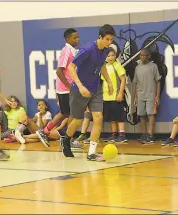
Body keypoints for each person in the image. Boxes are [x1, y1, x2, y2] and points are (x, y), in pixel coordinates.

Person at [60, 24, 115, 161]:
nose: (109, 42)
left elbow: (102, 66)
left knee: (98, 117)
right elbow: (71, 68)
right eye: (107, 39)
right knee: (77, 120)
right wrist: (80, 86)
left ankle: (91, 153)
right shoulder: (87, 49)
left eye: (111, 40)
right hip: (80, 89)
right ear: (100, 37)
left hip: (95, 89)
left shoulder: (105, 50)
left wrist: (108, 81)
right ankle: (66, 139)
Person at [34, 28, 80, 145]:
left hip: (68, 88)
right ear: (67, 39)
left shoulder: (73, 51)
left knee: (66, 113)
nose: (77, 39)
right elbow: (59, 71)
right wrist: (70, 87)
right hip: (65, 89)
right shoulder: (66, 51)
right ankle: (67, 139)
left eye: (78, 37)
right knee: (71, 114)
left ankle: (47, 131)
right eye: (74, 38)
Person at [134, 48, 161, 143]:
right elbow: (136, 83)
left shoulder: (153, 66)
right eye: (141, 55)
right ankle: (144, 134)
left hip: (151, 95)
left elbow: (158, 81)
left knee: (150, 114)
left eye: (145, 55)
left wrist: (157, 96)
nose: (143, 57)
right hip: (140, 95)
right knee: (141, 115)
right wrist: (136, 97)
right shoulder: (137, 68)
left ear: (149, 56)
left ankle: (150, 134)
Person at [102, 47, 127, 143]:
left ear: (115, 56)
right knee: (112, 118)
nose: (111, 57)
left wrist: (120, 93)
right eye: (108, 56)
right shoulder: (104, 67)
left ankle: (122, 135)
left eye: (113, 55)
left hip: (116, 97)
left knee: (119, 116)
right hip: (106, 97)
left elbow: (123, 80)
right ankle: (114, 134)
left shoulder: (117, 66)